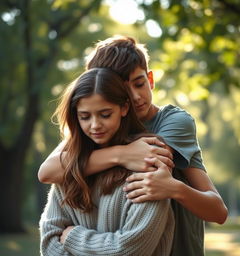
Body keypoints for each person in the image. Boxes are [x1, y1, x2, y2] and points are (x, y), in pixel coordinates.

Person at [38, 35, 228, 256]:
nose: (137, 97)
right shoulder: (101, 127)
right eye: (125, 91)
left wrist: (175, 188)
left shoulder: (173, 122)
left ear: (151, 79)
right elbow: (47, 172)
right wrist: (121, 153)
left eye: (140, 84)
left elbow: (218, 211)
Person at [39, 68, 175, 256]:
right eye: (85, 117)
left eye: (105, 114)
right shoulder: (68, 168)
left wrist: (73, 237)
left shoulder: (149, 167)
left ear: (124, 108)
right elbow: (49, 244)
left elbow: (128, 251)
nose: (95, 125)